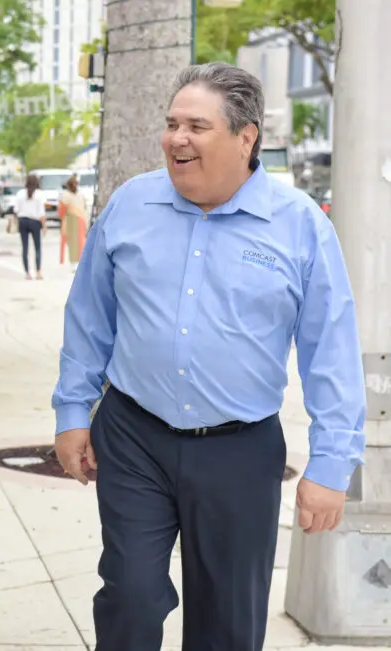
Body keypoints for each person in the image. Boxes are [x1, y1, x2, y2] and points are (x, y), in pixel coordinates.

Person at [51, 62, 366, 651]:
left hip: (239, 449)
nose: (177, 139)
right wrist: (73, 412)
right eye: (172, 124)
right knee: (130, 595)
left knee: (228, 621)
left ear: (246, 138)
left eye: (197, 125)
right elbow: (89, 316)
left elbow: (332, 350)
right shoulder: (131, 205)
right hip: (134, 435)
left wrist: (331, 465)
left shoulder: (299, 226)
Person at [12, 174, 47, 279]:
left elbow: (15, 210)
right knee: (37, 247)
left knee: (25, 247)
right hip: (35, 222)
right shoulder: (40, 194)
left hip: (22, 221)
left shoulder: (20, 194)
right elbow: (41, 213)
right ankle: (38, 272)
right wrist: (44, 226)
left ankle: (27, 273)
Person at [57, 174, 88, 272]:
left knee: (72, 242)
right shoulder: (81, 194)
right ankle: (80, 262)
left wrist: (62, 218)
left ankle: (74, 263)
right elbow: (85, 207)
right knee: (81, 241)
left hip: (71, 218)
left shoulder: (65, 194)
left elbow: (62, 209)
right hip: (82, 218)